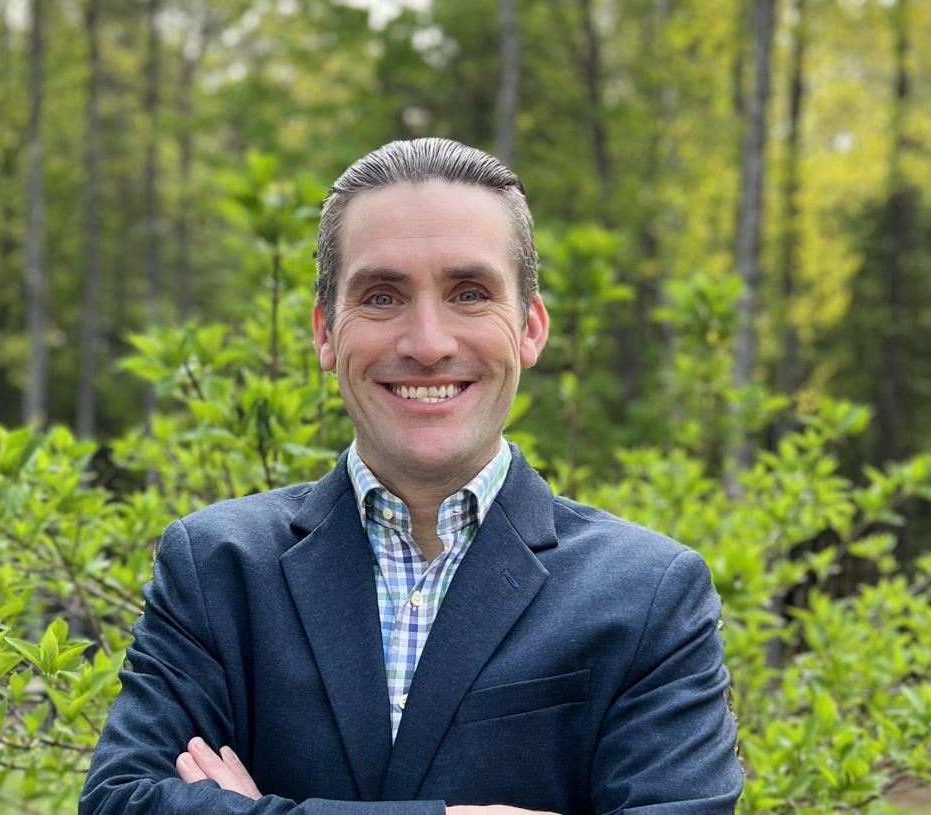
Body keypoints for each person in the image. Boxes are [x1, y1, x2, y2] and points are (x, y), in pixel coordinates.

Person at [80, 138, 743, 815]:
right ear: (325, 334)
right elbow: (122, 803)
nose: (428, 343)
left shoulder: (649, 594)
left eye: (469, 293)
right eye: (382, 296)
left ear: (530, 328)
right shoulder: (216, 569)